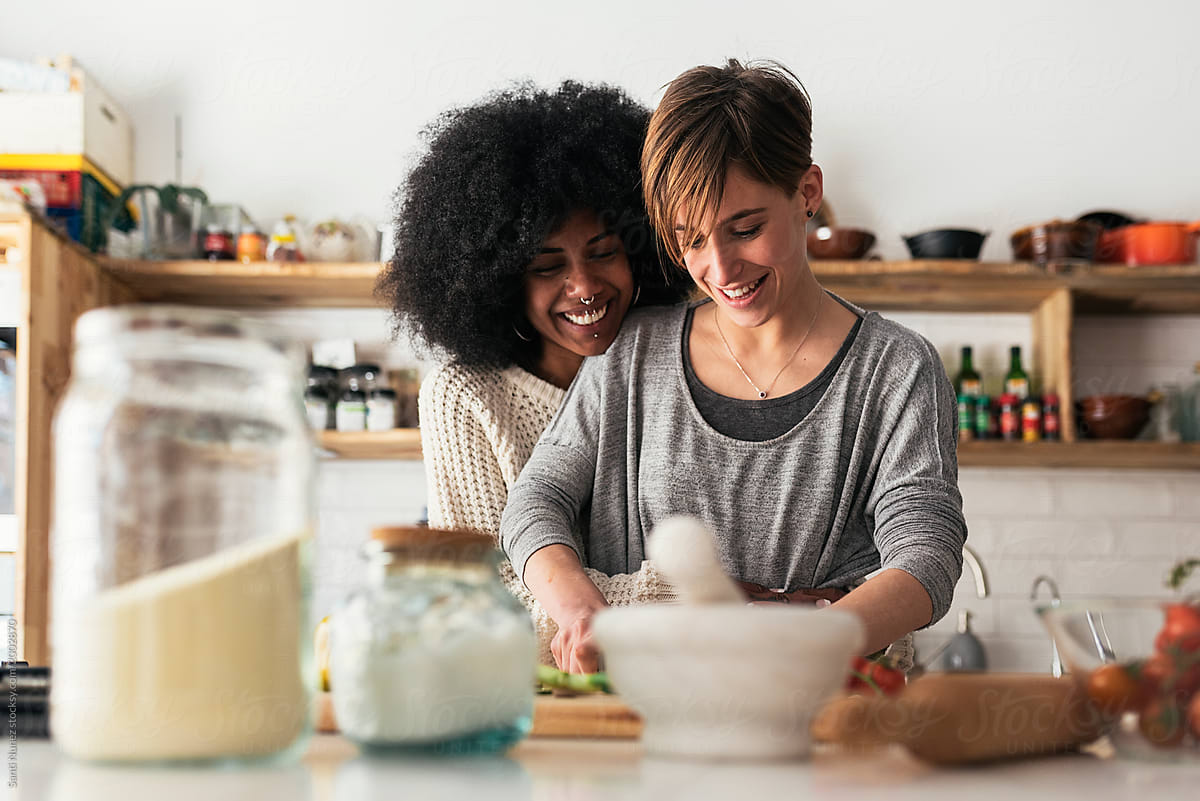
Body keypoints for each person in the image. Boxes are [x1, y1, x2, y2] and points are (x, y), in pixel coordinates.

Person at [501, 60, 967, 674]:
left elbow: (927, 551)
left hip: (822, 710)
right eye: (690, 239)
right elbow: (537, 499)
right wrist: (576, 606)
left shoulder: (896, 369)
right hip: (646, 709)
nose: (720, 270)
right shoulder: (635, 352)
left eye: (744, 229)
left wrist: (818, 640)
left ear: (807, 192)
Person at [378, 81, 692, 666]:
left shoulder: (681, 359)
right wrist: (681, 599)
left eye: (602, 253)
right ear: (498, 282)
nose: (585, 287)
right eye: (549, 267)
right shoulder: (467, 395)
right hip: (545, 697)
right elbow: (479, 602)